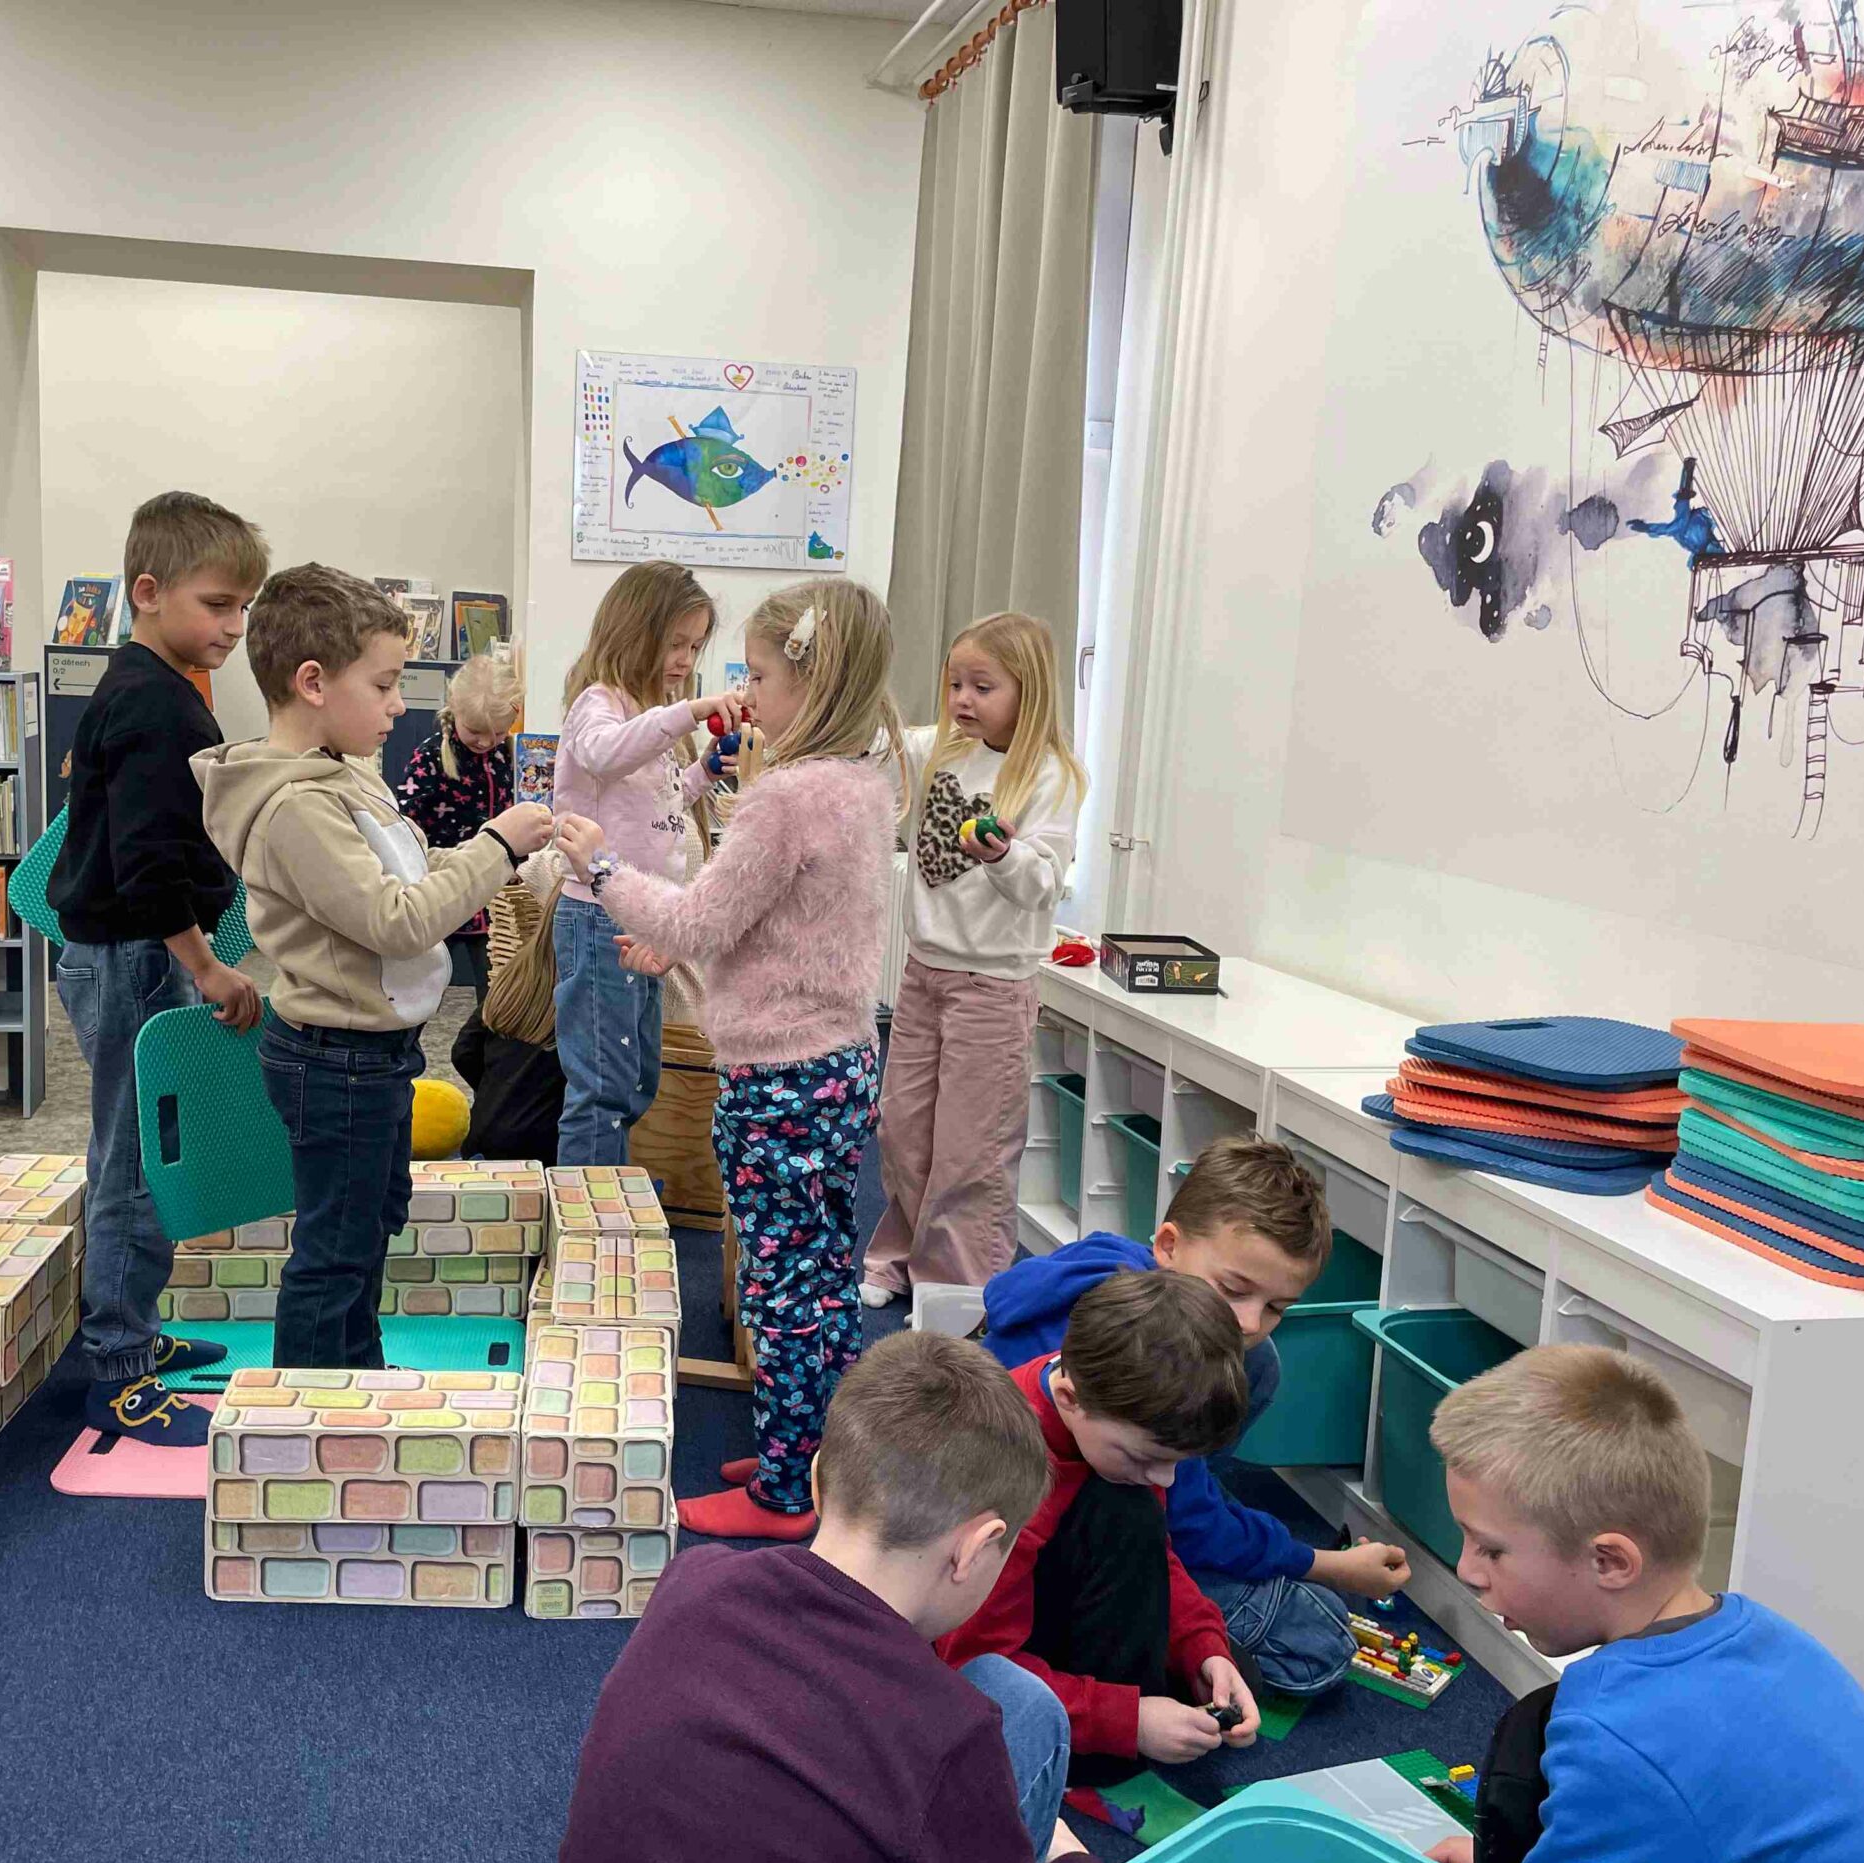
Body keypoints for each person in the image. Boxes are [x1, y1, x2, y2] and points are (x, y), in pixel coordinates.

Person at [542, 1332, 1109, 1863]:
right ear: (976, 1548)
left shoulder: (693, 1578)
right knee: (1024, 1710)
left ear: (816, 1481)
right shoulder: (952, 1735)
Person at [555, 579, 898, 1540]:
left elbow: (700, 920)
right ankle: (815, 1456)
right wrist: (675, 940)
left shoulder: (784, 799)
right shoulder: (862, 786)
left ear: (812, 684)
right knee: (822, 1272)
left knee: (779, 1286)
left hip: (779, 1080)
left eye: (758, 675)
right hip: (838, 1065)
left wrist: (600, 866)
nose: (743, 691)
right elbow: (775, 930)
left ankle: (784, 1493)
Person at [1426, 1345, 1864, 1863]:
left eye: (1491, 1549)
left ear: (1610, 1562)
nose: (1467, 1570)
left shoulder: (1621, 1735)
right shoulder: (1775, 1641)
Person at [199, 564, 552, 1368]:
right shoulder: (296, 806)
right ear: (313, 683)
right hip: (337, 1061)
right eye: (385, 685)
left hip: (375, 1054)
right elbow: (399, 920)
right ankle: (312, 1404)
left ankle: (355, 1373)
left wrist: (497, 858)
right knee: (336, 1251)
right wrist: (496, 847)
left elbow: (415, 865)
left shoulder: (347, 774)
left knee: (366, 1228)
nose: (400, 705)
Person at [982, 1137, 1410, 1698]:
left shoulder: (1131, 1286)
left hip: (1114, 1501)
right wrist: (1324, 1564)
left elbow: (1173, 1506)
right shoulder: (1126, 1365)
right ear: (1167, 1245)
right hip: (1055, 1540)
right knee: (1319, 1642)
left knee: (1257, 1364)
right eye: (1233, 1290)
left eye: (1276, 1307)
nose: (1250, 1322)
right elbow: (1180, 1524)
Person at [46, 490, 269, 1446]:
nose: (234, 626)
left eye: (242, 607)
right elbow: (145, 864)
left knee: (139, 1152)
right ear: (148, 592)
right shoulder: (150, 701)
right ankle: (118, 1368)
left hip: (130, 954)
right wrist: (206, 968)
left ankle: (130, 1328)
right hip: (137, 958)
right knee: (136, 1166)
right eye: (217, 605)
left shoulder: (157, 687)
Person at [937, 1268, 1264, 1767]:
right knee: (1127, 1511)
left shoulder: (1111, 1412)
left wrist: (1203, 1647)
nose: (1166, 1479)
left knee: (1230, 1677)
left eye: (1177, 1463)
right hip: (980, 1656)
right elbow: (973, 1666)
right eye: (1147, 1459)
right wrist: (1126, 1722)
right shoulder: (1005, 1471)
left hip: (1056, 1604)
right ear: (1068, 1400)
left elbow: (1156, 1555)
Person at [864, 612, 1086, 1312]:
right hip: (924, 974)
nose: (963, 698)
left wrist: (1003, 854)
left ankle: (956, 1291)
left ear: (1029, 690)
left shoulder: (1051, 776)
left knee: (971, 1148)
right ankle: (899, 1256)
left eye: (983, 687)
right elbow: (874, 744)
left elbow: (1043, 885)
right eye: (955, 683)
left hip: (993, 987)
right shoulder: (940, 749)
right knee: (902, 1129)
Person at [548, 561, 729, 1167]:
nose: (685, 659)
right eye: (675, 643)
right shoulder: (599, 704)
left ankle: (607, 1188)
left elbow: (661, 802)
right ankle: (589, 1204)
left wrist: (705, 769)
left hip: (641, 918)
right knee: (602, 1086)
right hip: (598, 917)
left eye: (695, 647)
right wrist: (690, 712)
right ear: (634, 632)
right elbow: (604, 755)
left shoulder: (650, 714)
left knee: (636, 1077)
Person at [394, 646, 521, 1000]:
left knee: (499, 995)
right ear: (454, 709)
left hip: (494, 899)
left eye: (498, 733)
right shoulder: (429, 758)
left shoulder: (509, 755)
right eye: (476, 731)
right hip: (442, 894)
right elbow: (404, 828)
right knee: (420, 992)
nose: (486, 742)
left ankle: (482, 1038)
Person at [449, 866, 567, 1165]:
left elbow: (463, 1050)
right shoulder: (582, 998)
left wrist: (496, 1091)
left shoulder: (514, 974)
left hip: (483, 1137)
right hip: (542, 1153)